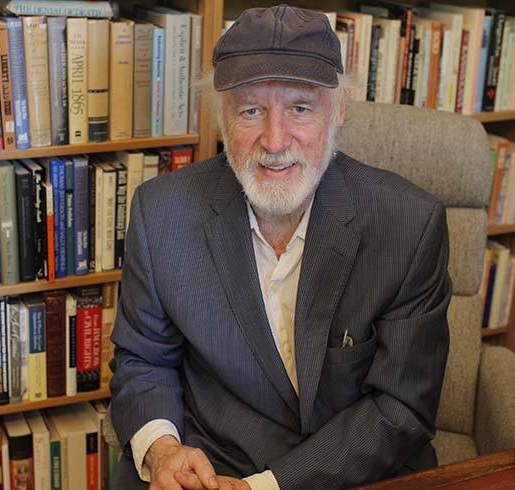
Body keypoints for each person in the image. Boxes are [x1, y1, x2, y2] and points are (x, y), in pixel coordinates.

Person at [109, 4, 451, 490]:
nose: (274, 141)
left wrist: (265, 486)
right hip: (208, 467)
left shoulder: (410, 225)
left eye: (300, 107)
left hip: (358, 470)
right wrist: (163, 449)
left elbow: (401, 407)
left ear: (339, 110)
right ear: (221, 118)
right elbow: (142, 361)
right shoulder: (160, 213)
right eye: (251, 110)